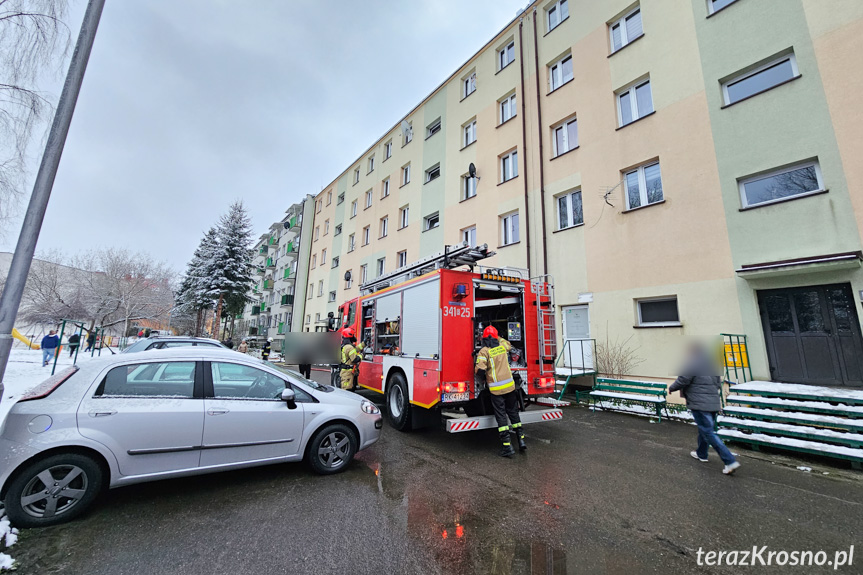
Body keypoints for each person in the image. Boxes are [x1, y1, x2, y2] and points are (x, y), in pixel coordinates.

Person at [668, 341, 741, 475]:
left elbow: (683, 380)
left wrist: (672, 388)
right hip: (713, 403)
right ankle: (701, 454)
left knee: (708, 431)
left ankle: (729, 461)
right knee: (706, 429)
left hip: (699, 403)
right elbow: (718, 384)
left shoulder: (691, 363)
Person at [475, 326, 525, 457]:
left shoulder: (484, 352)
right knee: (514, 413)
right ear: (496, 337)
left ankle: (507, 447)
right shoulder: (503, 347)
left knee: (501, 416)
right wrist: (498, 337)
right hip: (510, 387)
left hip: (496, 391)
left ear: (484, 338)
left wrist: (481, 379)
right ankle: (521, 440)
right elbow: (508, 343)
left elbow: (480, 370)